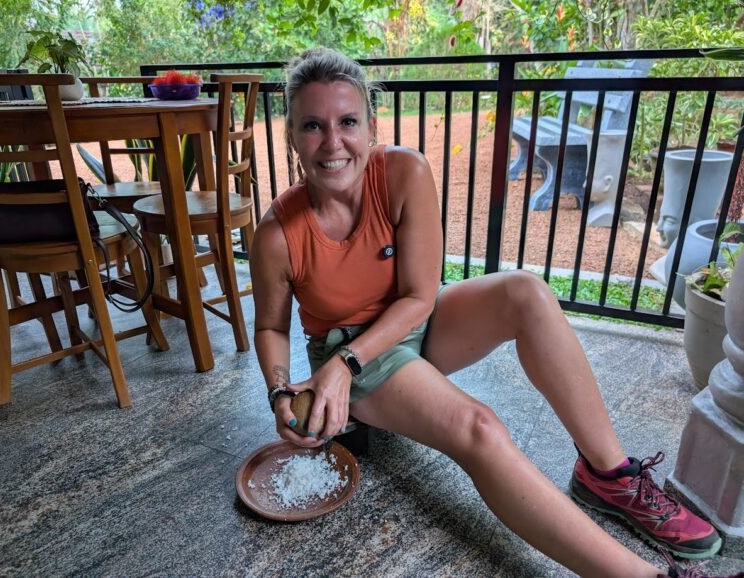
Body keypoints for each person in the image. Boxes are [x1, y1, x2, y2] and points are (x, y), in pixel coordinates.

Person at [249, 47, 738, 578]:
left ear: (371, 125)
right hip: (354, 355)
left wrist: (346, 364)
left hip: (409, 322)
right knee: (479, 428)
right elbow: (271, 325)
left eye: (347, 122)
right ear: (291, 135)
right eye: (313, 126)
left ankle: (608, 475)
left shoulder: (403, 172)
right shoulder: (276, 234)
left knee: (525, 292)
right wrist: (281, 389)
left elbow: (419, 297)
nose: (333, 142)